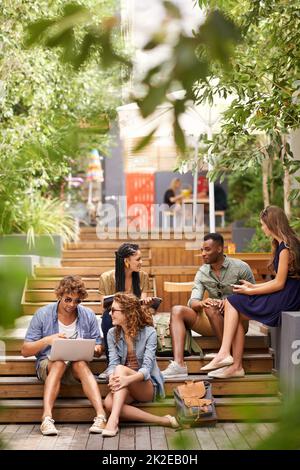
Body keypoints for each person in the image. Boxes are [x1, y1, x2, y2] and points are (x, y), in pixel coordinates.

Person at [202, 206, 300, 379]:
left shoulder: (286, 248)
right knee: (235, 309)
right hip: (286, 293)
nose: (262, 228)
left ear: (272, 224)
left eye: (263, 224)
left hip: (288, 297)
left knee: (233, 301)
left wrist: (250, 291)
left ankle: (225, 354)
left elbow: (279, 284)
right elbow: (279, 282)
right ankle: (235, 366)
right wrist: (252, 287)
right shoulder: (281, 245)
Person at [161, 232, 255, 379]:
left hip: (237, 321)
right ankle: (178, 365)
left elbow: (253, 297)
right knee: (178, 310)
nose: (203, 254)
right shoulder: (202, 272)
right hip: (211, 321)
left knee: (219, 309)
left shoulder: (241, 267)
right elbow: (192, 301)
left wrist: (230, 302)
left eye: (207, 249)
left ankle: (229, 359)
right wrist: (201, 303)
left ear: (219, 249)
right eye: (202, 250)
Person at [21, 276, 106, 436]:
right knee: (58, 362)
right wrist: (48, 340)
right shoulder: (43, 314)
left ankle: (101, 416)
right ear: (59, 295)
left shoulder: (87, 315)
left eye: (77, 301)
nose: (72, 305)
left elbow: (98, 344)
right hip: (48, 365)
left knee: (80, 363)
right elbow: (25, 351)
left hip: (76, 367)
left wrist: (97, 347)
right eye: (68, 300)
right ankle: (46, 418)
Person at [102, 293, 178, 437]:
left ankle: (113, 421)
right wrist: (112, 377)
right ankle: (162, 420)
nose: (110, 314)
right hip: (124, 383)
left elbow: (146, 370)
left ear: (128, 313)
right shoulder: (112, 334)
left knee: (120, 370)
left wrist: (125, 379)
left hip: (147, 385)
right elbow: (112, 363)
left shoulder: (149, 333)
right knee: (109, 404)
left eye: (113, 311)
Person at [99, 243, 152, 379]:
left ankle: (142, 362)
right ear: (126, 261)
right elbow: (104, 304)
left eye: (141, 259)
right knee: (106, 316)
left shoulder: (143, 276)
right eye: (138, 259)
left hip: (136, 315)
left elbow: (142, 306)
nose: (141, 262)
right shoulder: (107, 277)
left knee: (147, 316)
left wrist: (146, 303)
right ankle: (111, 364)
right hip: (117, 313)